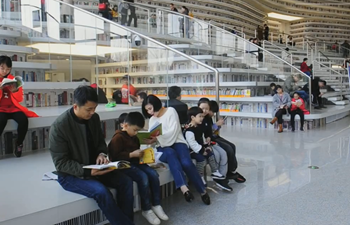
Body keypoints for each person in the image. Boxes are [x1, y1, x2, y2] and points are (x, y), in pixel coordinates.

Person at [49, 85, 135, 225]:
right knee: (101, 192)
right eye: (88, 109)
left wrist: (101, 154)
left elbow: (100, 143)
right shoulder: (59, 127)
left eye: (94, 109)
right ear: (75, 106)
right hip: (72, 175)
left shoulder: (94, 119)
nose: (92, 113)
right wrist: (87, 170)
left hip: (95, 167)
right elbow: (61, 163)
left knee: (126, 181)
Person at [142, 95, 210, 205]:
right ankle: (184, 189)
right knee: (170, 153)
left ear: (156, 105)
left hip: (178, 142)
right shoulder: (152, 120)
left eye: (150, 109)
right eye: (147, 110)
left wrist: (157, 137)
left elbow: (173, 132)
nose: (149, 112)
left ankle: (202, 191)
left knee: (186, 163)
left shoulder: (170, 111)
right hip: (164, 147)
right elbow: (153, 137)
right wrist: (151, 140)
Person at [108, 112, 169, 225]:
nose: (136, 133)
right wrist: (131, 155)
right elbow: (114, 157)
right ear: (125, 125)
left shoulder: (134, 137)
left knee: (154, 174)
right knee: (143, 177)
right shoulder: (118, 138)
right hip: (124, 166)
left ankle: (156, 204)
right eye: (135, 130)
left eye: (138, 131)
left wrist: (144, 156)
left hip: (136, 163)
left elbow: (136, 152)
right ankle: (146, 209)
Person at [0, 56, 39, 157]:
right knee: (1, 120)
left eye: (8, 69)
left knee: (23, 120)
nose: (5, 71)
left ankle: (19, 143)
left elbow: (19, 99)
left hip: (13, 108)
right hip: (1, 109)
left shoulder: (13, 79)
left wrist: (15, 91)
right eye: (2, 68)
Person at [184, 107, 225, 187]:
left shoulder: (198, 127)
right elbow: (192, 144)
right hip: (192, 151)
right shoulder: (189, 130)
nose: (202, 118)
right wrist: (202, 150)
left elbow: (201, 138)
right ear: (193, 117)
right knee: (201, 159)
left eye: (202, 116)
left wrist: (206, 146)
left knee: (210, 154)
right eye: (200, 116)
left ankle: (214, 171)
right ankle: (200, 176)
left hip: (200, 148)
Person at [198, 98, 232, 191]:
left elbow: (209, 132)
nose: (204, 111)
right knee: (216, 155)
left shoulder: (207, 119)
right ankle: (216, 177)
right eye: (202, 108)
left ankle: (222, 177)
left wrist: (209, 136)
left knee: (223, 153)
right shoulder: (196, 119)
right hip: (201, 146)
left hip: (210, 143)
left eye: (207, 109)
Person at [208, 100, 246, 183]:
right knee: (228, 148)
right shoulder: (203, 118)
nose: (212, 114)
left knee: (232, 146)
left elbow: (213, 131)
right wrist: (216, 125)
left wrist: (218, 126)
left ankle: (232, 169)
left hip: (214, 136)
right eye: (212, 111)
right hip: (211, 139)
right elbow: (208, 131)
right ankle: (230, 170)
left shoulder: (209, 118)